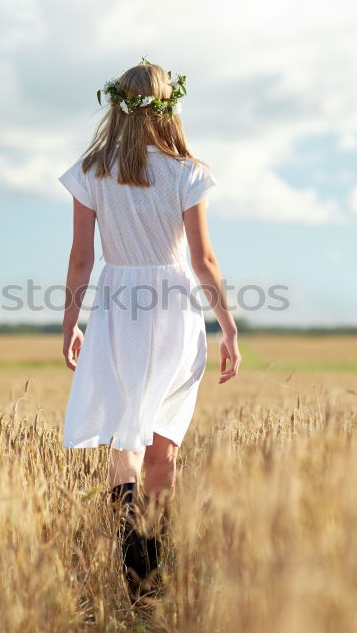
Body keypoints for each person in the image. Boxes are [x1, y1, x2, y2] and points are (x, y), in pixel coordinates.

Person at [58, 58, 241, 600]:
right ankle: (155, 567)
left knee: (125, 438)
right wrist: (228, 326)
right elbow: (204, 260)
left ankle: (133, 567)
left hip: (118, 306)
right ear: (169, 105)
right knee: (164, 446)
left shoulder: (92, 171)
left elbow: (80, 258)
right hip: (177, 309)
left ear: (116, 106)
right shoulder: (187, 172)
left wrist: (70, 321)